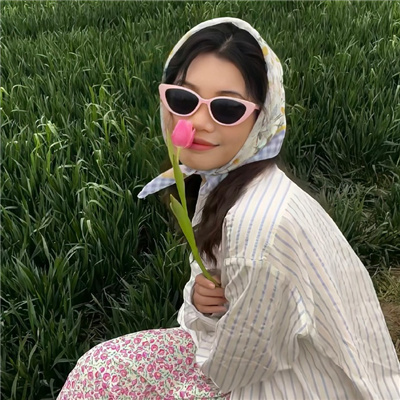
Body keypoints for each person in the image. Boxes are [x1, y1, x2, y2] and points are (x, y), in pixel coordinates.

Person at [58, 17, 400, 400]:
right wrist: (203, 303)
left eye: (226, 108)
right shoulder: (230, 181)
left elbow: (236, 366)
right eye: (184, 100)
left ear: (262, 117)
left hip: (293, 383)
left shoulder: (256, 227)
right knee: (98, 370)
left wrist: (202, 320)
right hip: (258, 356)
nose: (197, 122)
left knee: (102, 379)